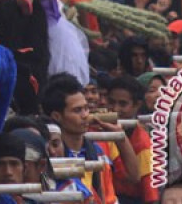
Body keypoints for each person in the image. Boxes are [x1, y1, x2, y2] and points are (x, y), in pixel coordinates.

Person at [41, 73, 140, 204]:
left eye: (86, 108)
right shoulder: (52, 154)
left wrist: (121, 137)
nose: (85, 115)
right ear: (57, 116)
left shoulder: (98, 149)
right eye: (77, 110)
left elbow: (134, 176)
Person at [106, 76, 159, 204]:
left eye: (123, 104)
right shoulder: (98, 130)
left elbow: (151, 197)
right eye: (111, 102)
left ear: (137, 105)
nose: (115, 109)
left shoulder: (142, 143)